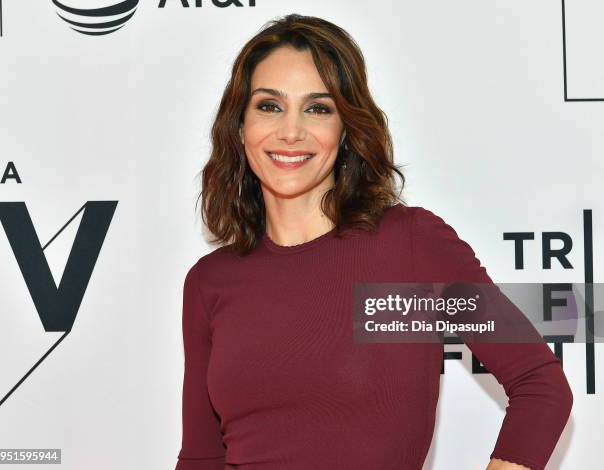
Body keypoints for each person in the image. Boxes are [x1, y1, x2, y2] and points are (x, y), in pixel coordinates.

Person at [175, 13, 573, 470]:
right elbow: (202, 457)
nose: (290, 131)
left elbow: (540, 384)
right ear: (239, 125)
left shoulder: (411, 247)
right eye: (269, 105)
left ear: (345, 130)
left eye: (318, 108)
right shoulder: (210, 282)